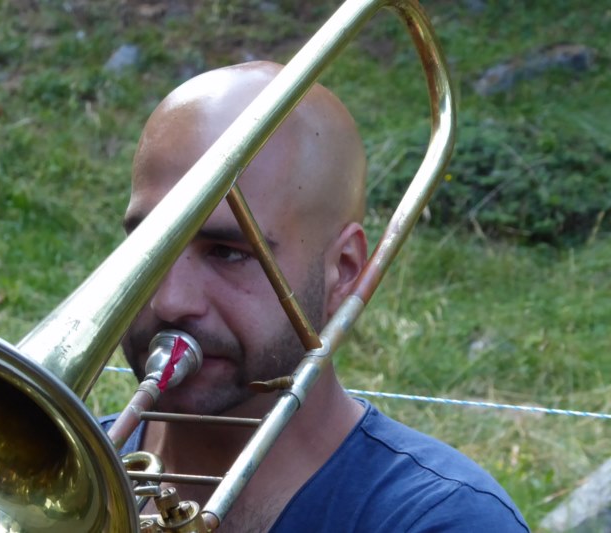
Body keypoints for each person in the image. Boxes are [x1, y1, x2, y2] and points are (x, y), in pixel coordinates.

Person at [109, 61, 530, 532]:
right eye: (151, 246)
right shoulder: (55, 473)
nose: (169, 301)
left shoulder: (443, 520)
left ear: (343, 270)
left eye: (228, 253)